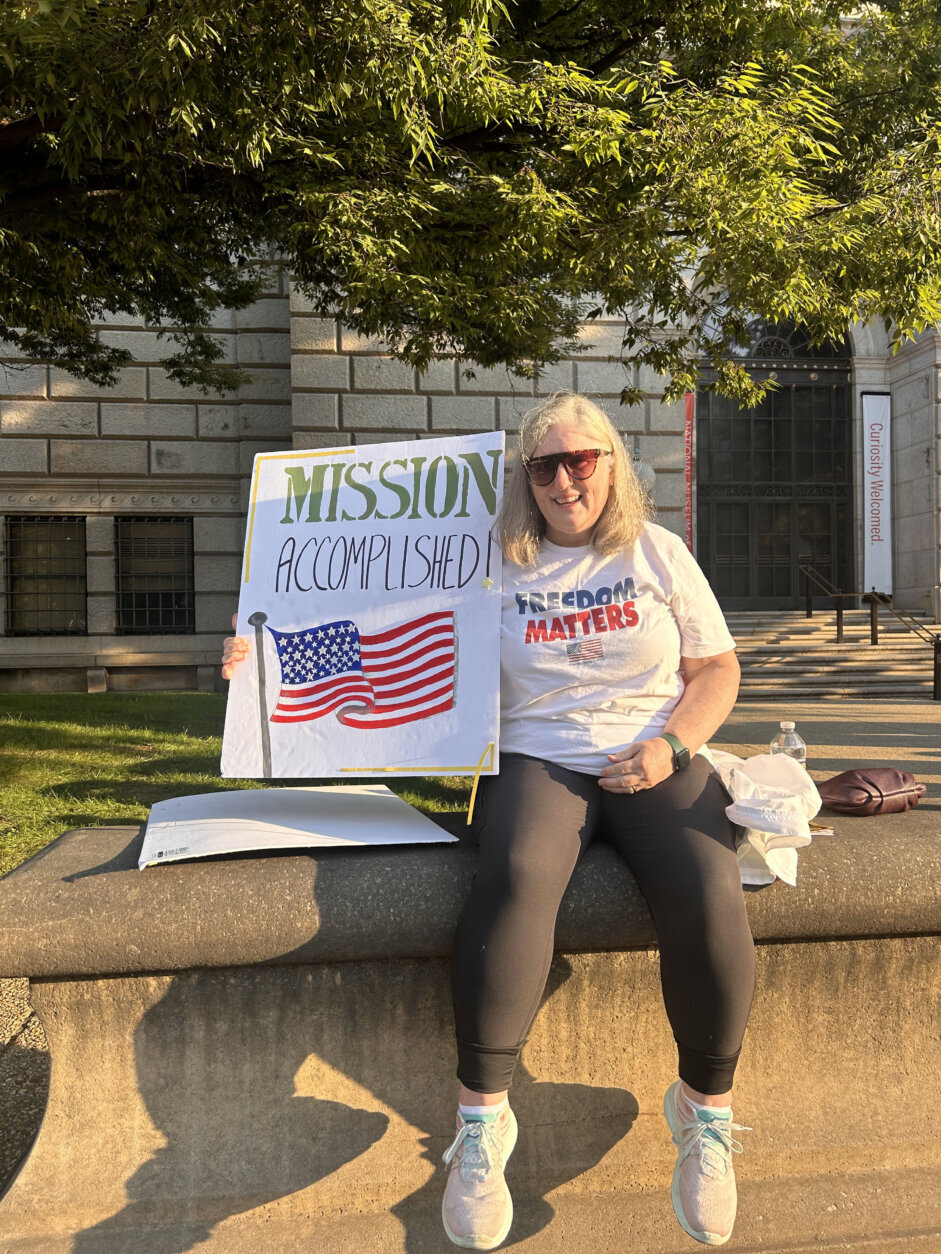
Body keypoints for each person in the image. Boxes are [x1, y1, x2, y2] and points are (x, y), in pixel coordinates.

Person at [222, 392, 754, 1250]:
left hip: (650, 753)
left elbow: (716, 669)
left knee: (708, 884)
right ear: (524, 477)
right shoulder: (489, 560)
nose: (562, 479)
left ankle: (705, 1114)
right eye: (543, 465)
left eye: (580, 460)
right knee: (514, 876)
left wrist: (676, 747)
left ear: (611, 466)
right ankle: (481, 1124)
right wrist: (263, 651)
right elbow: (367, 624)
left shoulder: (658, 553)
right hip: (536, 756)